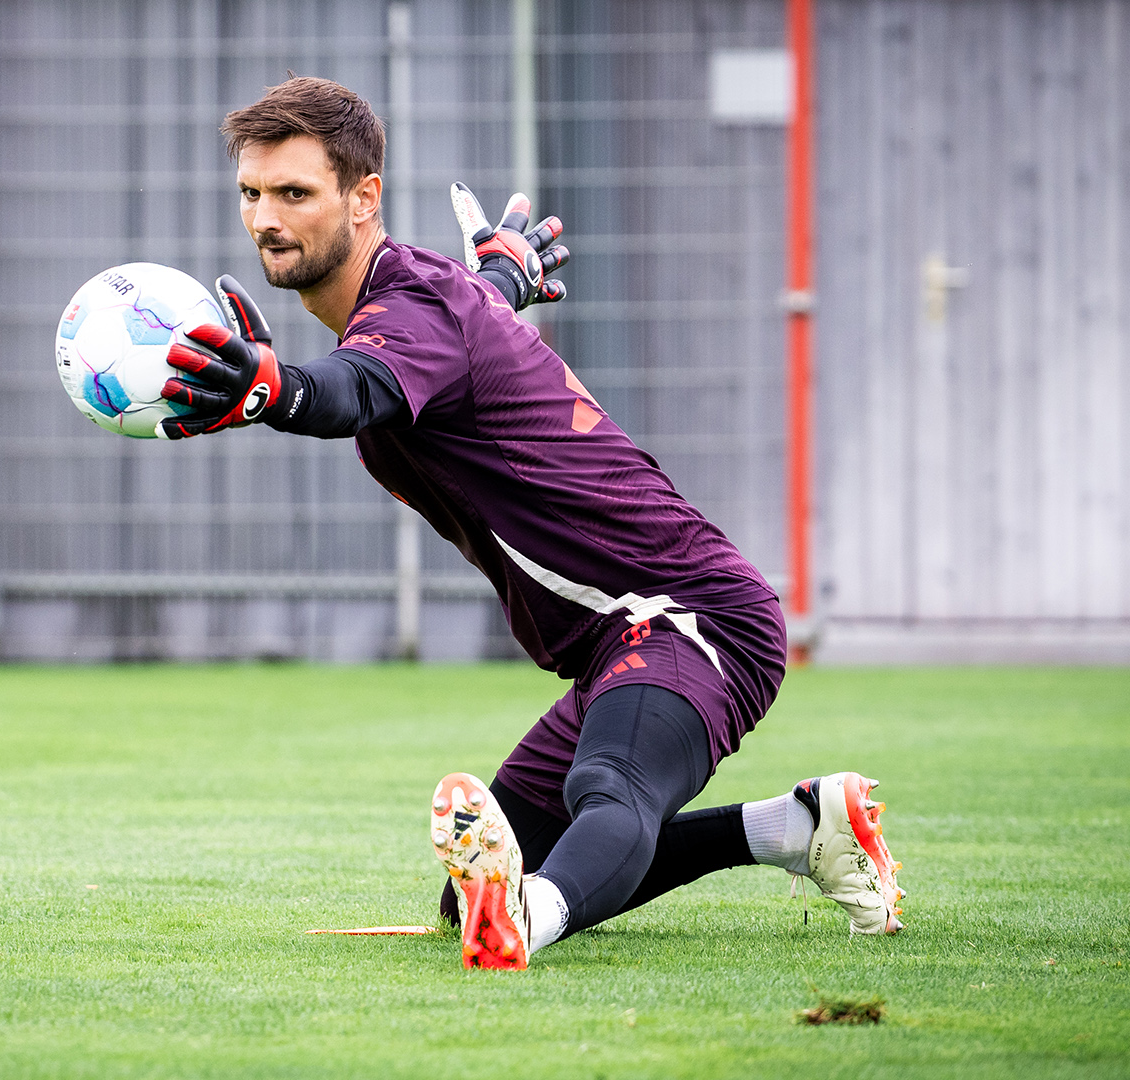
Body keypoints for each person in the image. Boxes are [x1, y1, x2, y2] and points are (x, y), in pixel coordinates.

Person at [159, 76, 903, 969]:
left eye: (295, 193)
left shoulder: (414, 307)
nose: (268, 218)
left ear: (364, 200)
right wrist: (505, 274)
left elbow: (351, 389)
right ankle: (802, 827)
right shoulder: (429, 302)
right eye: (252, 193)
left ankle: (525, 927)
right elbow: (450, 327)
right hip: (610, 639)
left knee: (606, 792)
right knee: (469, 891)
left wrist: (275, 391)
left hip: (690, 614)